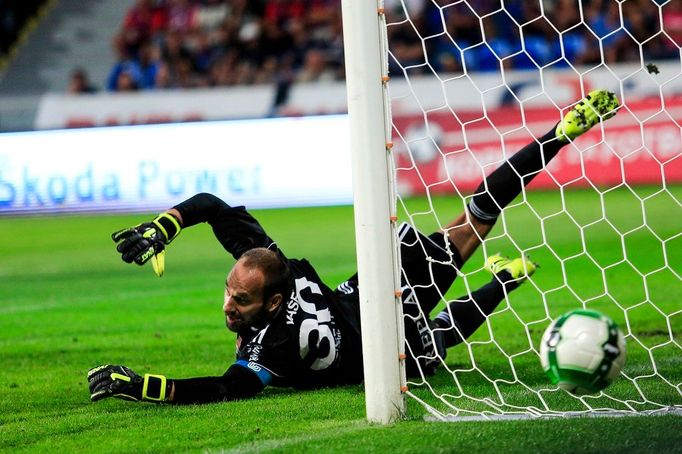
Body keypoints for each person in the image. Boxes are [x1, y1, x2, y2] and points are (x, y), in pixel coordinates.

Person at [87, 90, 620, 404]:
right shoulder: (277, 267)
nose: (228, 304)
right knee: (477, 217)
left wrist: (141, 387)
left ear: (272, 302)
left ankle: (505, 276)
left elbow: (222, 389)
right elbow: (209, 203)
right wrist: (163, 226)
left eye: (240, 300)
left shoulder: (266, 347)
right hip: (362, 291)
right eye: (230, 292)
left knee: (435, 332)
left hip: (382, 332)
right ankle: (558, 137)